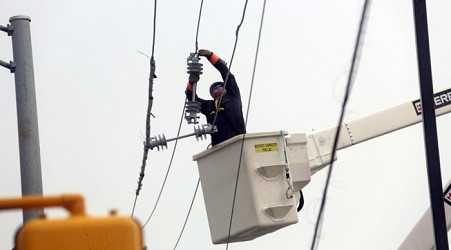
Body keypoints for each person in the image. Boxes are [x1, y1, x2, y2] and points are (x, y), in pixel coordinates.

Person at [185, 49, 246, 146]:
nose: (215, 89)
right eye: (213, 89)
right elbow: (191, 98)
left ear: (226, 89)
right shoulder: (209, 106)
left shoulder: (233, 96)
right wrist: (191, 82)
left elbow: (226, 73)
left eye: (219, 86)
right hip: (218, 147)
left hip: (237, 141)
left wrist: (211, 56)